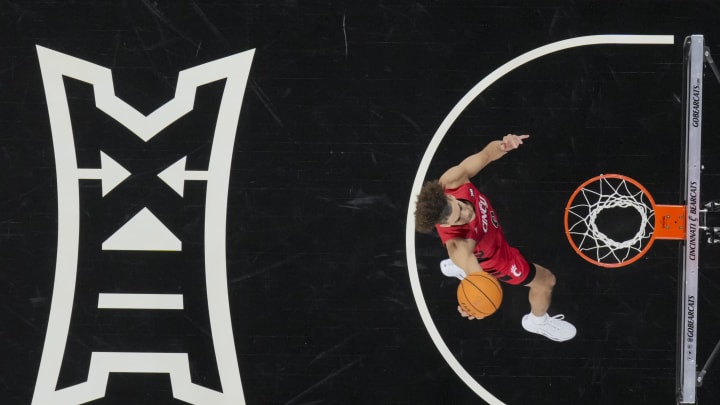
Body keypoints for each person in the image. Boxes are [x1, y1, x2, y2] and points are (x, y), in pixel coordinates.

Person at [414, 134, 576, 342]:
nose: (466, 215)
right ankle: (538, 322)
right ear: (444, 225)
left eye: (461, 209)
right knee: (545, 281)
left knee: (468, 263)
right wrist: (476, 297)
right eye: (458, 220)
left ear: (450, 195)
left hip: (490, 234)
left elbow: (487, 154)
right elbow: (478, 275)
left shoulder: (452, 180)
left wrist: (503, 145)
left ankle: (461, 270)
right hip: (496, 258)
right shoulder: (460, 245)